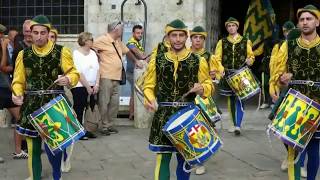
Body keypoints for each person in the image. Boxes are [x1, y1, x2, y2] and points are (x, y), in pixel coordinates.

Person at [143, 19, 213, 180]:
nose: (178, 39)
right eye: (174, 35)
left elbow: (208, 84)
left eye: (181, 35)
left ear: (186, 37)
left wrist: (202, 88)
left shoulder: (198, 60)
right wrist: (150, 98)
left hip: (188, 114)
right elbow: (148, 85)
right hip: (163, 115)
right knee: (163, 158)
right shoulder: (157, 60)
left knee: (185, 160)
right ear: (168, 37)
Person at [11, 15, 79, 180]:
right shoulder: (23, 55)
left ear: (49, 33)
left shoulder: (61, 51)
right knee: (33, 148)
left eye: (43, 33)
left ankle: (57, 175)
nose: (39, 36)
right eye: (36, 33)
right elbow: (18, 80)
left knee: (54, 146)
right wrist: (17, 93)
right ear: (30, 34)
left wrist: (68, 79)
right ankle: (35, 177)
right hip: (31, 104)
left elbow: (74, 73)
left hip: (53, 103)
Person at [269, 5, 320, 180]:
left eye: (309, 19)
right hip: (294, 102)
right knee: (294, 150)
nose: (305, 22)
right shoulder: (288, 46)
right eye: (302, 19)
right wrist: (282, 78)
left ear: (317, 21)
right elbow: (277, 74)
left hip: (317, 105)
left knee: (314, 150)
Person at [93, 21, 143, 136]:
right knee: (104, 102)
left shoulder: (118, 41)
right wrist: (96, 55)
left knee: (114, 104)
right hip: (105, 76)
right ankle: (103, 125)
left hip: (117, 77)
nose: (123, 31)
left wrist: (136, 61)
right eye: (121, 29)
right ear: (115, 30)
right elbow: (89, 46)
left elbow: (128, 52)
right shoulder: (102, 39)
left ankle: (110, 124)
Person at [213, 17, 255, 136]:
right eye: (229, 26)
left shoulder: (246, 41)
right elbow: (217, 58)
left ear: (237, 27)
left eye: (233, 25)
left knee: (241, 99)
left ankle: (238, 125)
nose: (231, 28)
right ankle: (233, 123)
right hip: (228, 74)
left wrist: (249, 61)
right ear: (227, 28)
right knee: (231, 99)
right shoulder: (222, 42)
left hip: (241, 74)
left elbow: (251, 56)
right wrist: (220, 69)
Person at [0, 25, 28, 159]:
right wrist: (5, 49)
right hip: (3, 88)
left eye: (3, 34)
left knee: (21, 117)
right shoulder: (3, 48)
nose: (2, 36)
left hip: (6, 89)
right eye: (1, 34)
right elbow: (3, 67)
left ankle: (18, 150)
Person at [71, 32, 99, 140]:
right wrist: (87, 86)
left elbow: (98, 69)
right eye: (91, 39)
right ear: (86, 41)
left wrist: (96, 84)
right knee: (79, 107)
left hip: (92, 85)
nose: (93, 41)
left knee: (90, 108)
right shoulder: (76, 53)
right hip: (79, 85)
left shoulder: (93, 53)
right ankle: (78, 131)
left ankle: (87, 130)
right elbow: (79, 72)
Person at [126, 24, 148, 120]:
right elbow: (137, 52)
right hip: (132, 73)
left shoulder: (137, 43)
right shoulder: (131, 42)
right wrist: (143, 56)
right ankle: (132, 114)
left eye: (141, 33)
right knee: (134, 93)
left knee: (134, 93)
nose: (140, 35)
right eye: (138, 33)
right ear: (133, 33)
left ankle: (133, 114)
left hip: (137, 73)